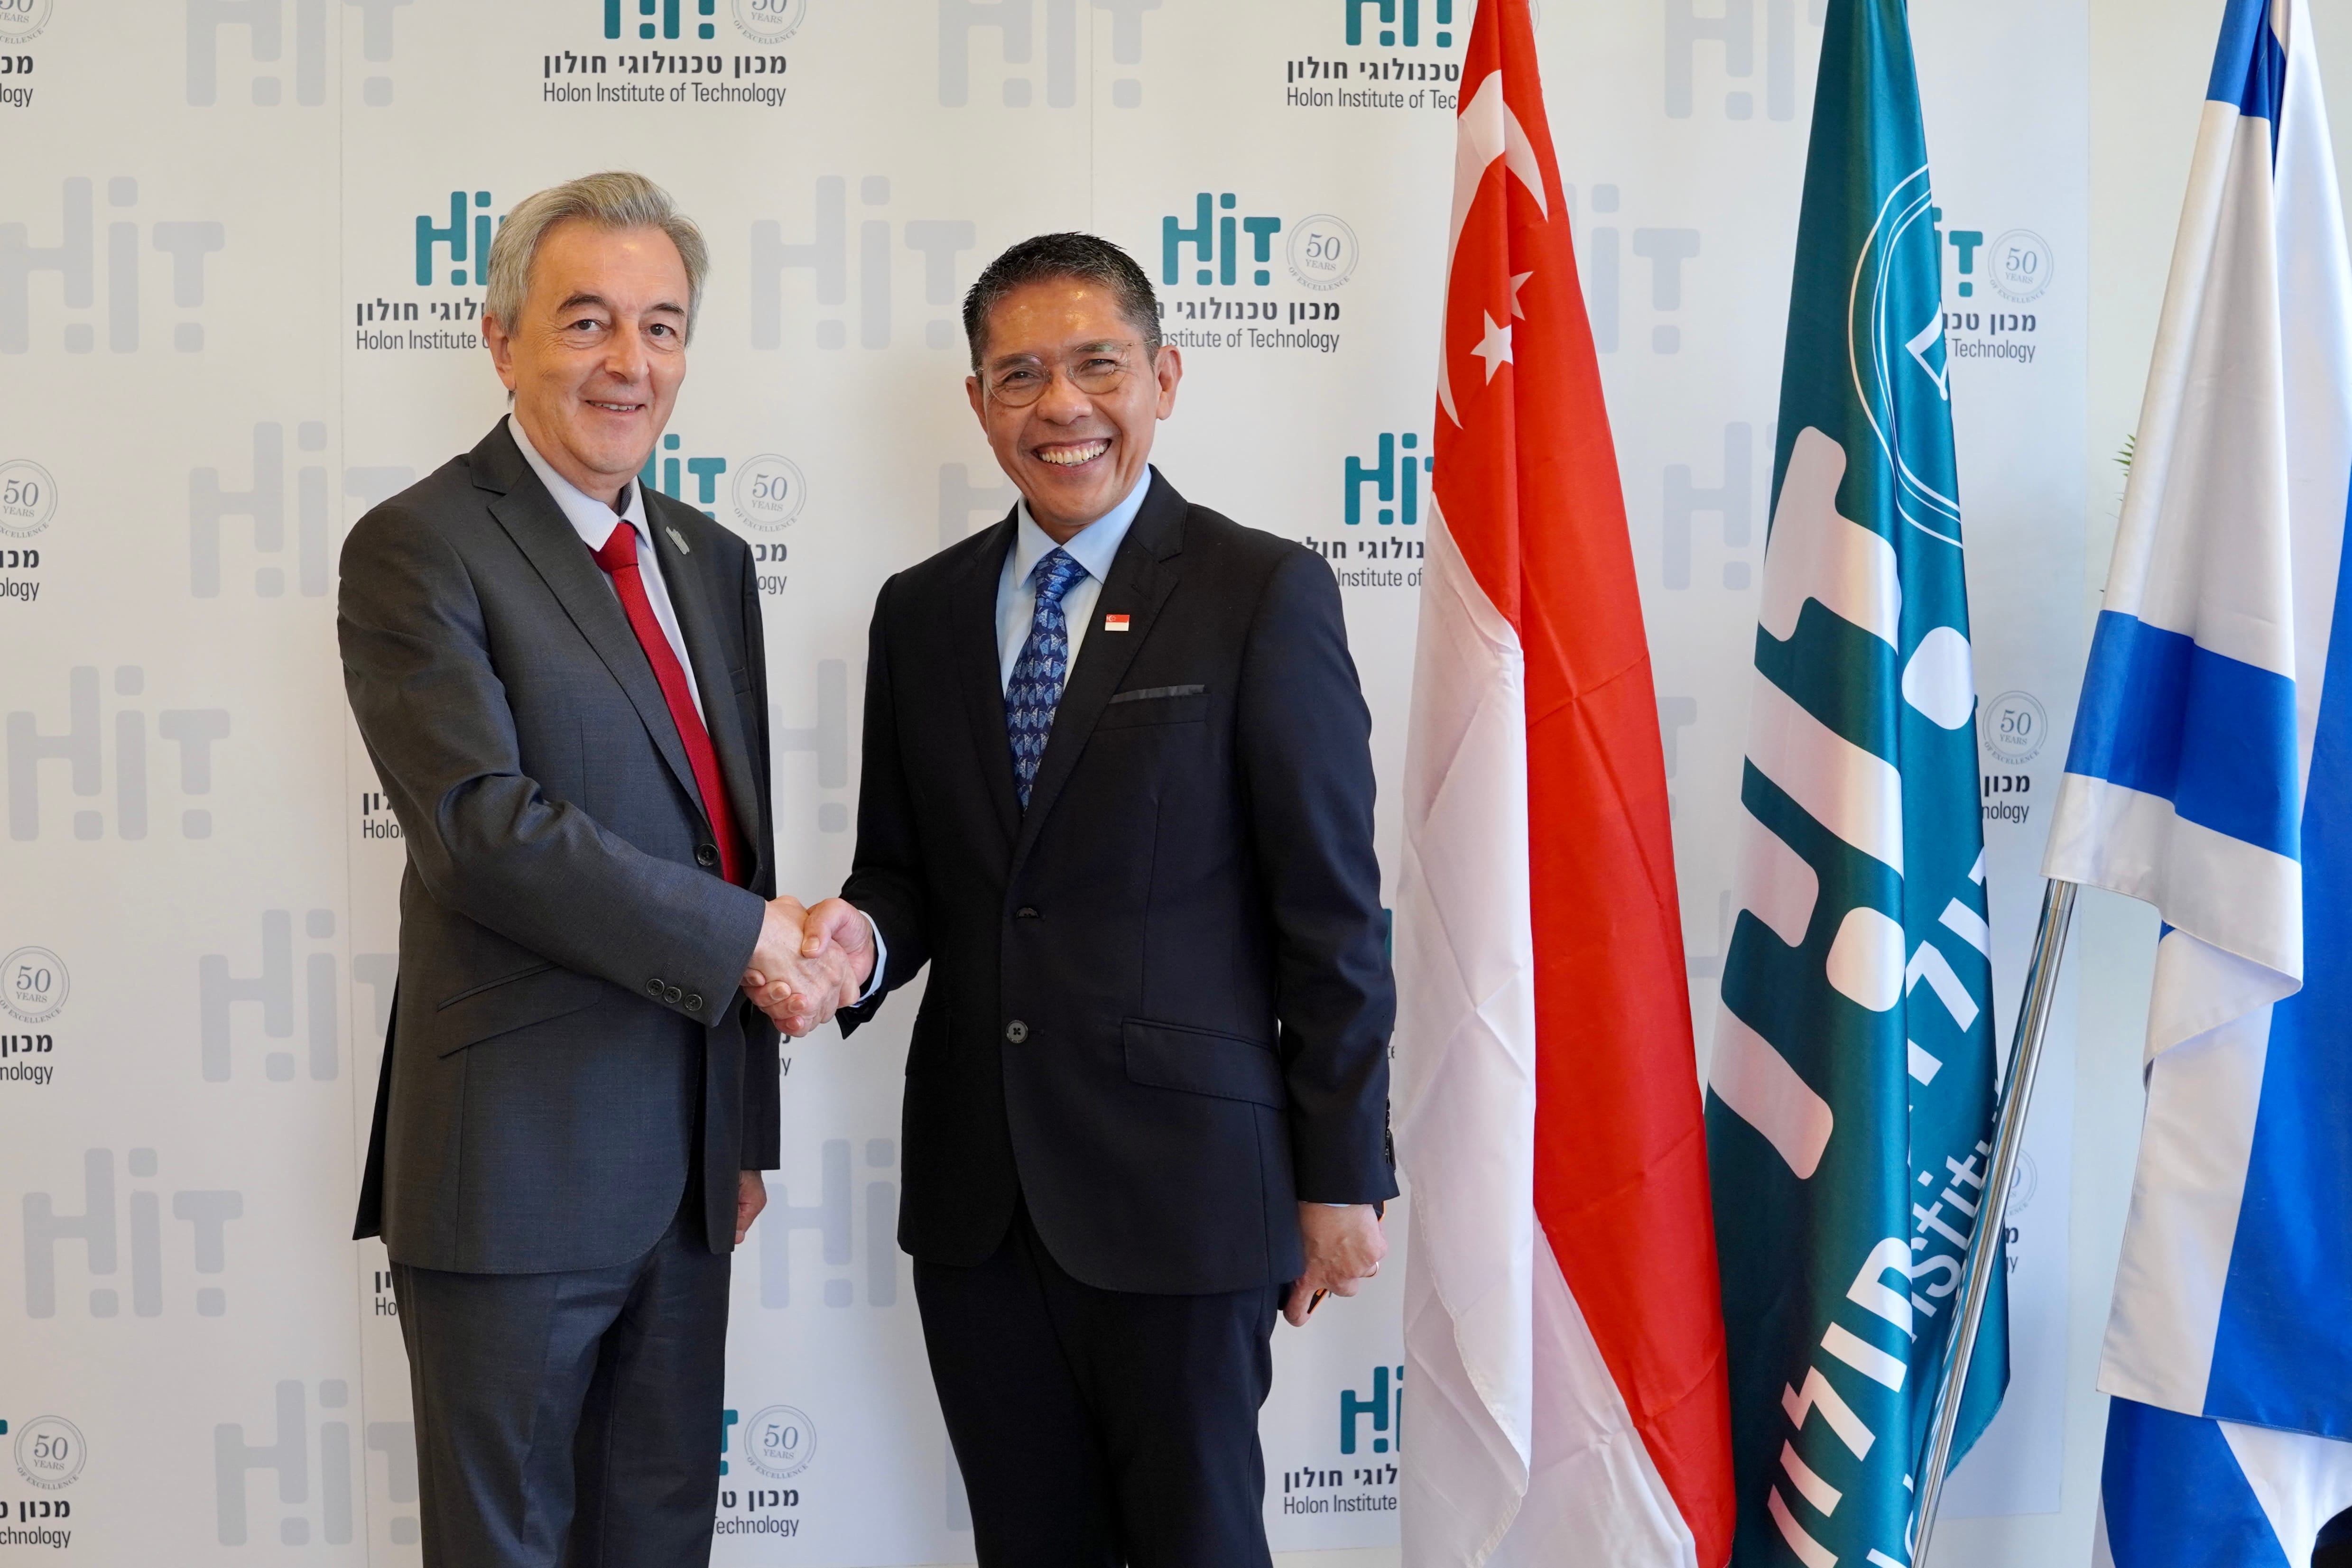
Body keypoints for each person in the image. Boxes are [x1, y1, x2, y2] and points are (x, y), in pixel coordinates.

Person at [754, 232, 1396, 1567]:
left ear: (1163, 375)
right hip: (981, 1207)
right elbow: (908, 872)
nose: (1062, 405)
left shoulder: (1259, 591)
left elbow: (1331, 910)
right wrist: (852, 946)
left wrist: (1342, 1172)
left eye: (1097, 364)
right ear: (978, 401)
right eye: (1020, 373)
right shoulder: (919, 612)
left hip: (1189, 1193)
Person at [338, 171, 844, 1567]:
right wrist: (753, 936)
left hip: (685, 1179)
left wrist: (740, 1122)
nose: (632, 363)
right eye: (587, 322)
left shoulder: (709, 554)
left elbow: (729, 841)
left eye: (663, 326)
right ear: (502, 341)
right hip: (515, 1178)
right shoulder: (418, 547)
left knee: (660, 1541)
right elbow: (483, 830)